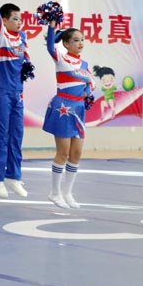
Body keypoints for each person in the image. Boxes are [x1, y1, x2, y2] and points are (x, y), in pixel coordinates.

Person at [42, 22, 94, 209]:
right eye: (76, 40)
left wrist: (88, 92)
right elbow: (50, 46)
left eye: (82, 40)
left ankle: (67, 193)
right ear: (66, 43)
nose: (81, 43)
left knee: (76, 153)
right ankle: (55, 193)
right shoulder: (61, 58)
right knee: (63, 152)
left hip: (79, 110)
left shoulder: (84, 64)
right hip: (63, 107)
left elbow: (91, 82)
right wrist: (51, 26)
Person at [0, 2, 30, 199]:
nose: (19, 22)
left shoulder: (23, 37)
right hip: (1, 89)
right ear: (4, 21)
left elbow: (25, 58)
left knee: (17, 134)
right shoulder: (1, 34)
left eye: (21, 19)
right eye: (15, 19)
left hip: (17, 91)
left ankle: (13, 176)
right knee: (0, 134)